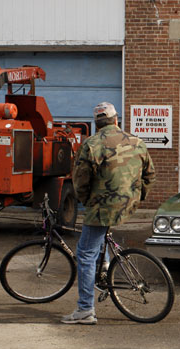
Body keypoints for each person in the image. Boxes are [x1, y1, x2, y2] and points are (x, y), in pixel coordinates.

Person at [62, 102, 156, 324]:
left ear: (97, 124)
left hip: (102, 207)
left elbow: (80, 181)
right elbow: (149, 175)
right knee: (99, 238)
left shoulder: (91, 144)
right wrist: (137, 197)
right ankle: (104, 265)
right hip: (128, 204)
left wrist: (86, 202)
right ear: (116, 121)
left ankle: (85, 310)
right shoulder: (137, 142)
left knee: (85, 254)